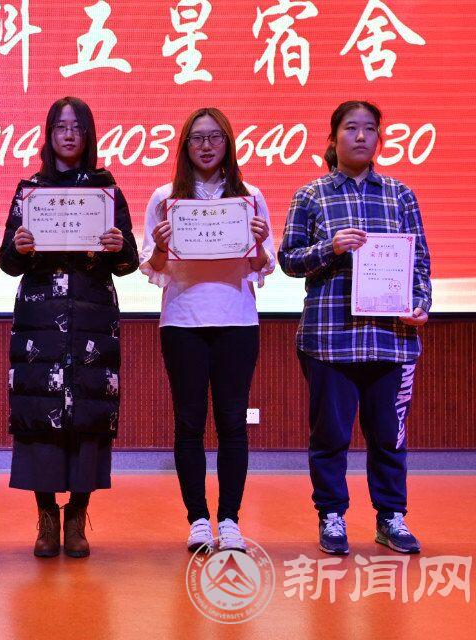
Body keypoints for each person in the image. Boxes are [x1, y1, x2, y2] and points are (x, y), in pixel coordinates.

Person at [279, 100, 431, 555]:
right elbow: (288, 260)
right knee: (330, 437)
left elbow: (420, 262)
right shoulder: (310, 195)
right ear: (333, 138)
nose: (361, 136)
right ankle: (331, 516)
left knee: (388, 438)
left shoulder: (401, 195)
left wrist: (420, 305)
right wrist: (329, 247)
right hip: (330, 339)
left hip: (392, 339)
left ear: (379, 138)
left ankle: (391, 517)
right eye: (351, 128)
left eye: (370, 128)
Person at [0, 97, 138, 558]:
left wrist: (119, 246)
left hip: (93, 318)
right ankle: (45, 518)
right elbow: (7, 263)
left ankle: (77, 516)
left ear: (89, 134)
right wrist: (19, 247)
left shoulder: (106, 190)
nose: (68, 134)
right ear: (49, 134)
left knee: (89, 414)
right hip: (40, 319)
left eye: (77, 127)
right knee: (39, 412)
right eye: (60, 126)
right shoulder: (30, 190)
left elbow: (129, 263)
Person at [141, 107, 274, 553]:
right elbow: (154, 267)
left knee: (233, 423)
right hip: (183, 322)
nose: (206, 145)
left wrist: (258, 242)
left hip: (237, 321)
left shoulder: (250, 197)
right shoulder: (165, 198)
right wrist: (162, 246)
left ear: (228, 143)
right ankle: (198, 519)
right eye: (197, 138)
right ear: (185, 146)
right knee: (189, 424)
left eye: (215, 137)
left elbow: (262, 265)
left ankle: (230, 520)